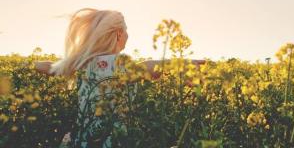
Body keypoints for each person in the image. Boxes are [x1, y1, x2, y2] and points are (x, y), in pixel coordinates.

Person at [33, 9, 202, 147]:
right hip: (111, 140)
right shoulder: (119, 65)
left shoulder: (82, 63)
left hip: (82, 139)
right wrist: (184, 64)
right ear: (118, 34)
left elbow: (48, 67)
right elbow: (149, 66)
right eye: (126, 30)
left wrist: (31, 65)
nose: (128, 34)